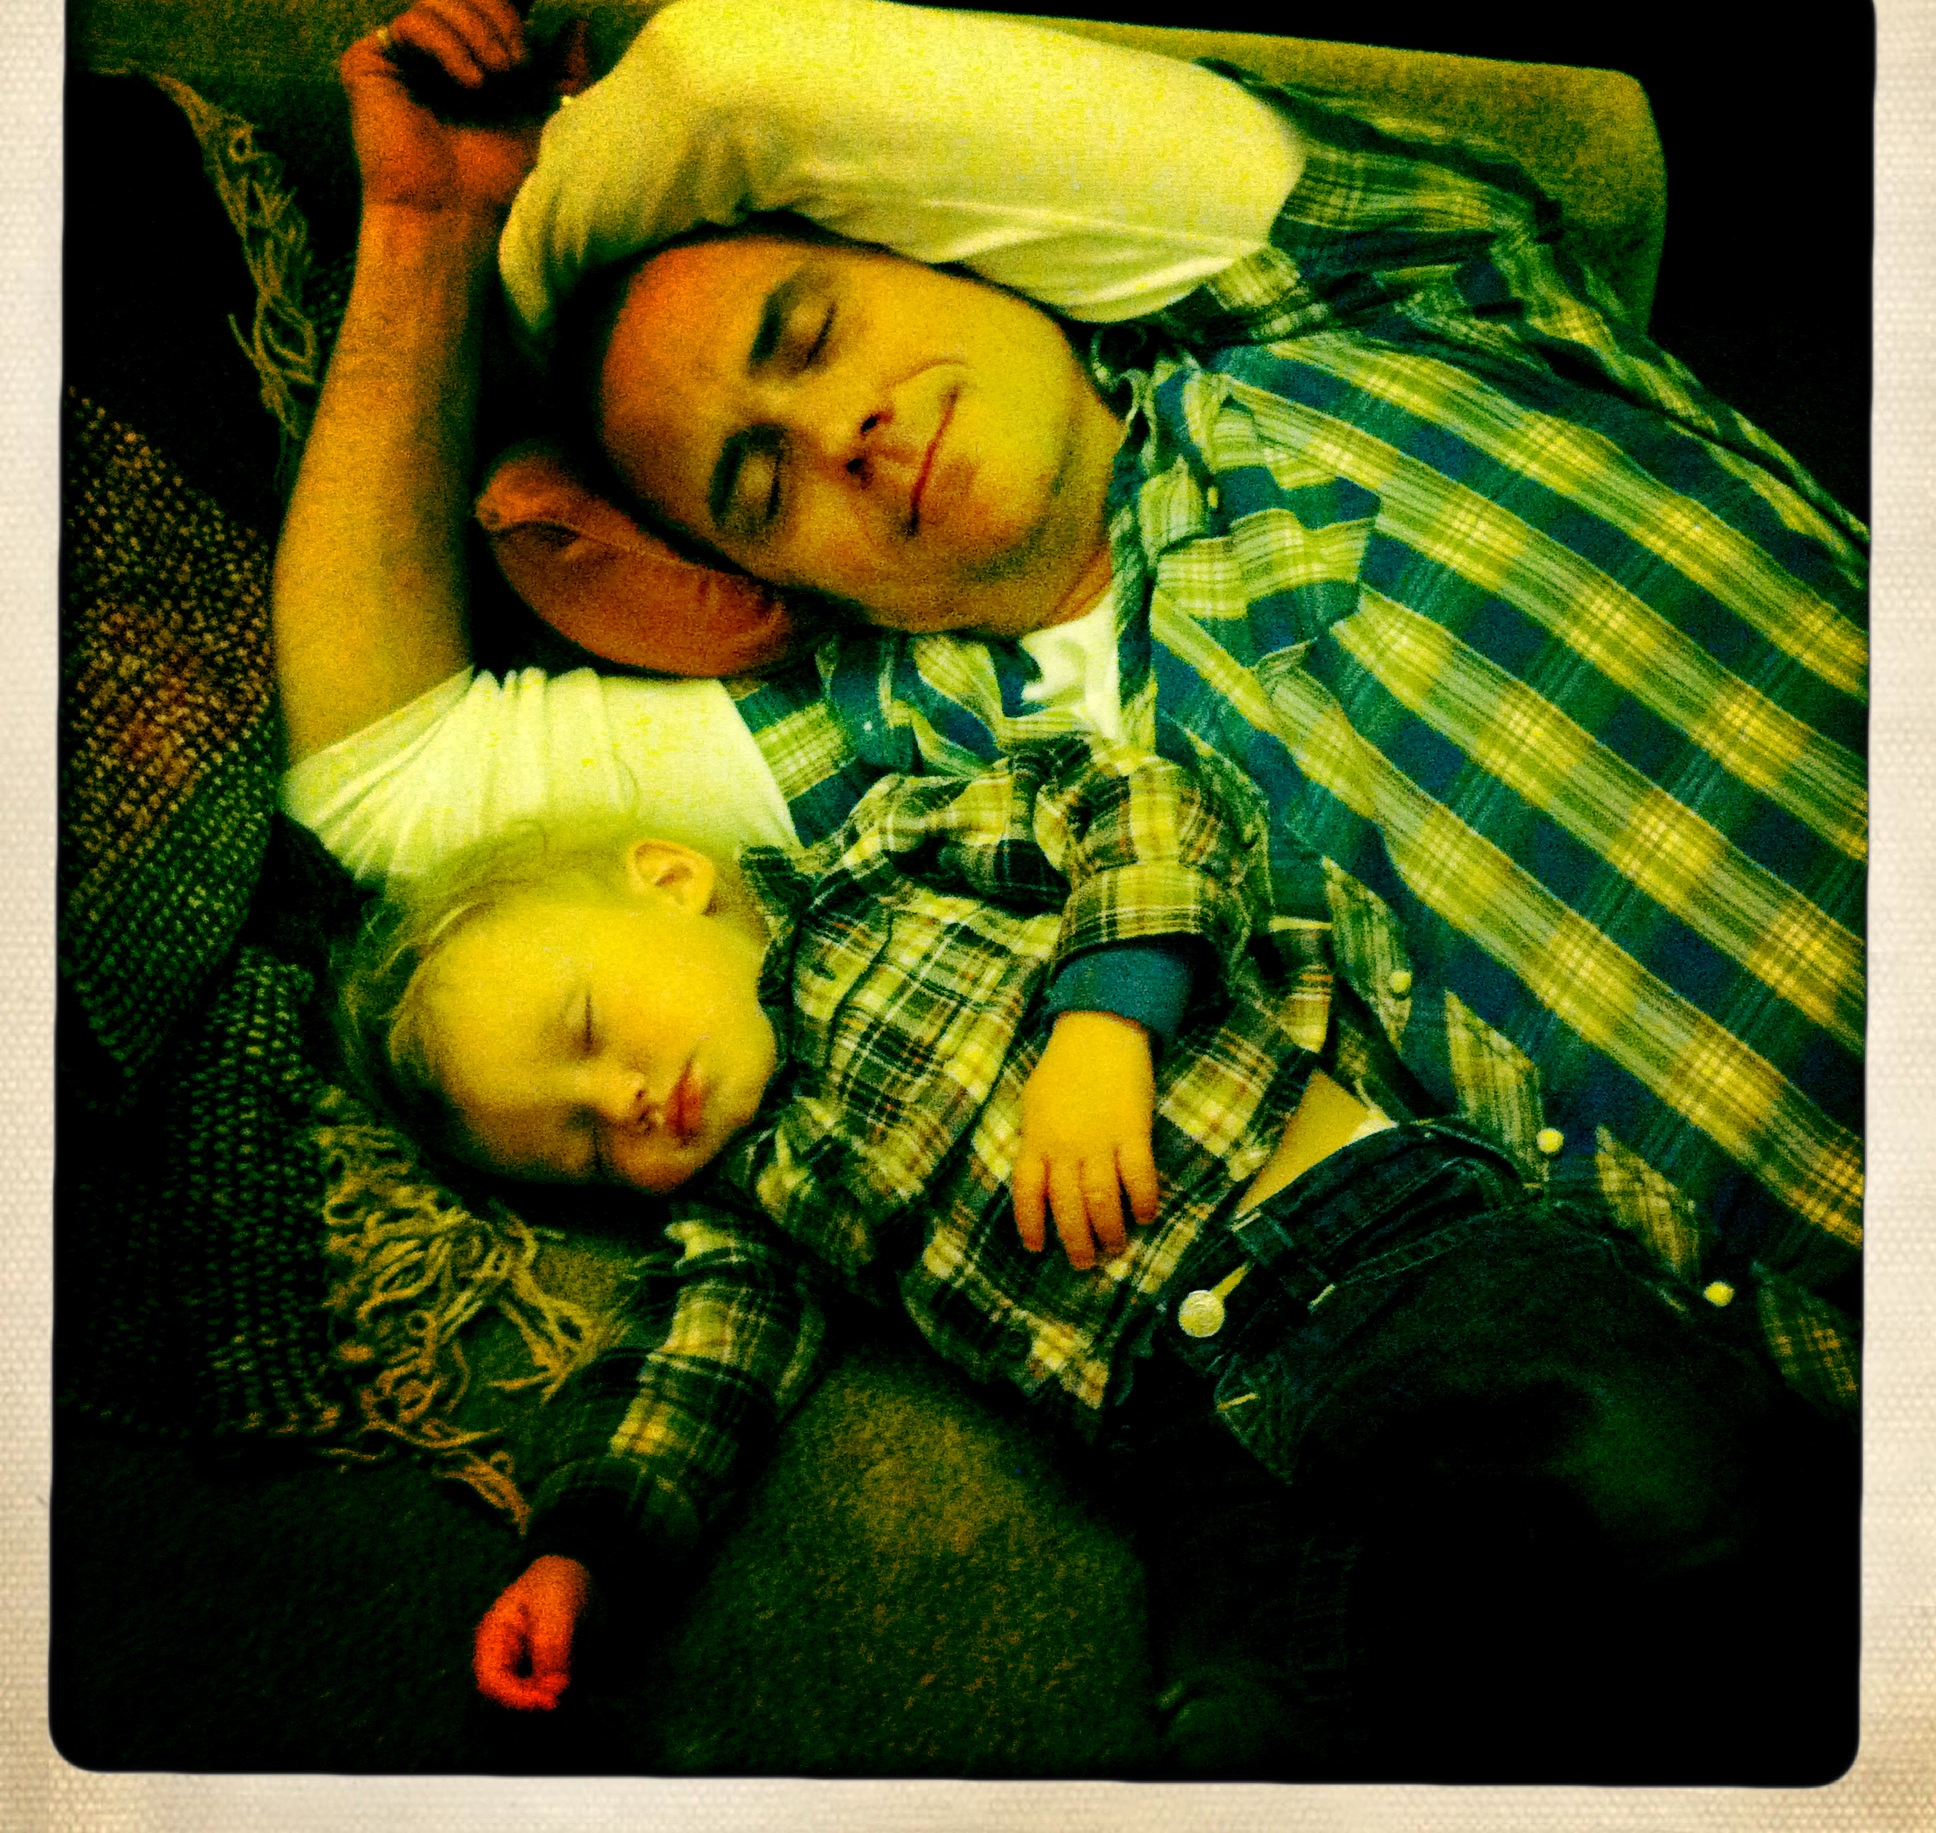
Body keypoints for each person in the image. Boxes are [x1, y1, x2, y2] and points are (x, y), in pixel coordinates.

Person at [272, 0, 1858, 1776]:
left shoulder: (1359, 298)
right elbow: (381, 778)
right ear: (775, 585)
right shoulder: (892, 774)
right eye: (759, 487)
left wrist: (534, 244)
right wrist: (419, 237)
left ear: (956, 246)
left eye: (813, 331)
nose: (839, 433)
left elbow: (734, 71)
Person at [329, 740, 1823, 1780]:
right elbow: (691, 1361)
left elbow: (1145, 798)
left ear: (670, 878)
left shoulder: (882, 864)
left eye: (589, 1032)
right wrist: (585, 1549)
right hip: (1185, 1446)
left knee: (1665, 1476)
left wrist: (1106, 1015)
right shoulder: (749, 1201)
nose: (624, 1105)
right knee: (1248, 1724)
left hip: (1375, 1237)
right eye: (584, 1151)